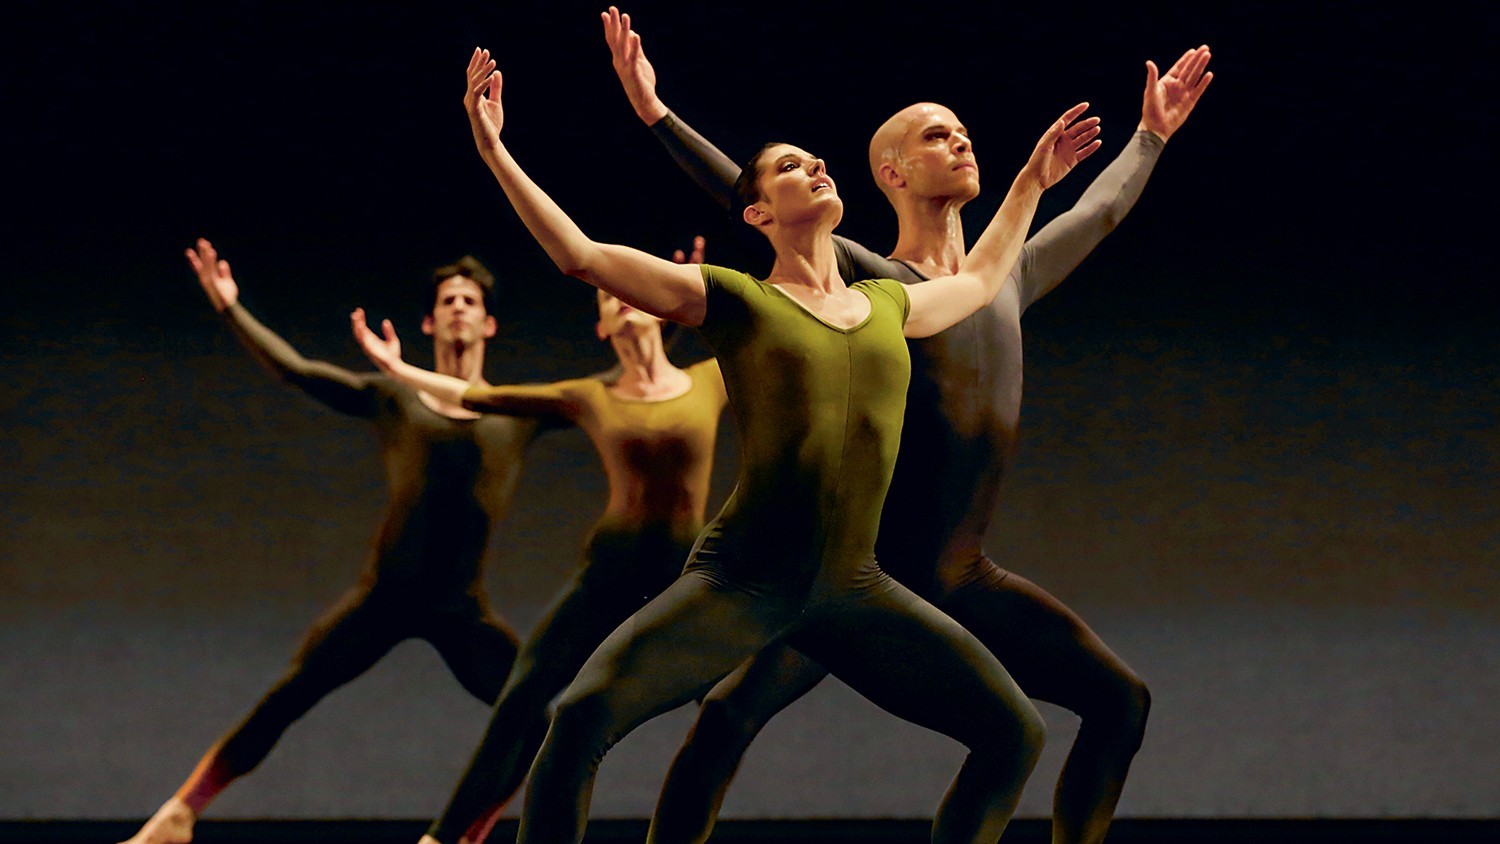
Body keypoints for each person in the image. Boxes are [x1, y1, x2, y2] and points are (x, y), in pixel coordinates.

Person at [450, 43, 1098, 844]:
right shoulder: (735, 298)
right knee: (579, 720)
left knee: (1014, 735)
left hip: (853, 589)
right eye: (791, 166)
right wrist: (495, 149)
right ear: (757, 213)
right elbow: (579, 256)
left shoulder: (891, 303)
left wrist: (1032, 182)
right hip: (741, 583)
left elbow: (982, 278)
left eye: (817, 159)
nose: (816, 165)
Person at [601, 8, 1213, 843]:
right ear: (890, 172)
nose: (961, 142)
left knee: (1119, 702)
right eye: (937, 136)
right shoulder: (870, 280)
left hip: (960, 575)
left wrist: (1149, 135)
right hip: (854, 578)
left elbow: (1098, 213)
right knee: (724, 719)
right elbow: (745, 195)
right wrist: (656, 115)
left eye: (963, 132)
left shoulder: (1007, 276)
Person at [122, 242, 544, 844]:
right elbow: (298, 371)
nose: (457, 308)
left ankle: (466, 835)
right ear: (428, 321)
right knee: (290, 693)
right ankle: (179, 815)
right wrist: (231, 308)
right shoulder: (393, 397)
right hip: (385, 598)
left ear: (489, 322)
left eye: (469, 301)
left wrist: (660, 325)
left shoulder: (518, 413)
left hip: (460, 609)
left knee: (537, 722)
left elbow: (620, 398)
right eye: (446, 300)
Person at [349, 241, 729, 844]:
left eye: (635, 293)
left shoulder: (710, 381)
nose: (624, 302)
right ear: (602, 326)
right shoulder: (591, 396)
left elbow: (769, 343)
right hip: (607, 573)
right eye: (609, 297)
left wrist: (688, 292)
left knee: (730, 704)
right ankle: (445, 836)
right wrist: (398, 369)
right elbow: (484, 398)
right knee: (524, 700)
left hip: (683, 576)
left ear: (657, 309)